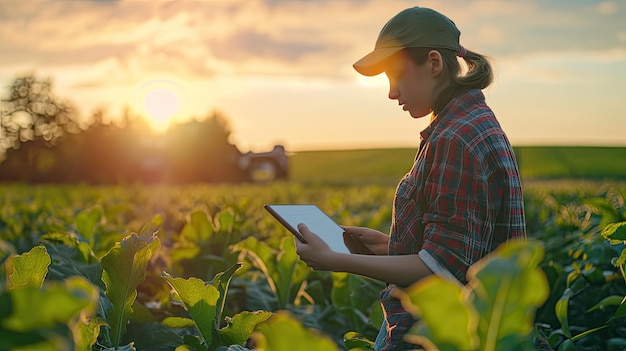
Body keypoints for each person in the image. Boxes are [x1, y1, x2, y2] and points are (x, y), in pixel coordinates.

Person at [294, 6, 526, 351]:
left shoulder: (454, 139)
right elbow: (467, 251)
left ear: (433, 64)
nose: (391, 92)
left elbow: (441, 272)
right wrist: (388, 247)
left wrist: (337, 260)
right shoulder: (473, 123)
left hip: (434, 336)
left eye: (395, 75)